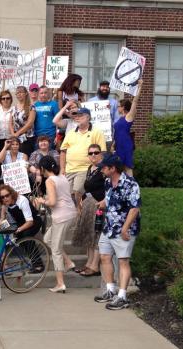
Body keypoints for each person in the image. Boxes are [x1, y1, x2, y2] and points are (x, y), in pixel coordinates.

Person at [94, 154, 141, 311]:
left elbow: (134, 208)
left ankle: (122, 296)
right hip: (109, 227)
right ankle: (110, 290)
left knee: (123, 261)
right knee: (104, 257)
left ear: (112, 168)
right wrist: (102, 204)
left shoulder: (130, 184)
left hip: (123, 229)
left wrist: (125, 228)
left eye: (104, 168)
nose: (101, 170)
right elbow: (109, 199)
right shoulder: (108, 182)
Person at [33, 156, 77, 292]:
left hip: (61, 216)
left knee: (56, 250)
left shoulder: (50, 181)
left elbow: (52, 202)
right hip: (70, 213)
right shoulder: (62, 177)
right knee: (47, 239)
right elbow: (60, 196)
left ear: (43, 168)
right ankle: (68, 262)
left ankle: (60, 283)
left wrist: (41, 201)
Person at [59, 107, 106, 199]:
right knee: (67, 195)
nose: (77, 118)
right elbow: (63, 152)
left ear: (88, 117)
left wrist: (97, 169)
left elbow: (102, 152)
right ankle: (75, 212)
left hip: (85, 169)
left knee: (77, 192)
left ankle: (79, 212)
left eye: (80, 115)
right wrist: (62, 168)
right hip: (69, 169)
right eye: (76, 116)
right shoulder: (71, 133)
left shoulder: (97, 132)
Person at [73, 144, 105, 277]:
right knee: (89, 236)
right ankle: (89, 263)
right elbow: (87, 187)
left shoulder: (104, 169)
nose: (93, 155)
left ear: (101, 154)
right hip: (88, 204)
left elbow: (108, 187)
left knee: (96, 236)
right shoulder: (90, 168)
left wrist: (103, 202)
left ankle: (95, 266)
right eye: (90, 153)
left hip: (98, 206)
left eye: (96, 153)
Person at [0, 184, 44, 272]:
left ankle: (39, 265)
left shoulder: (22, 200)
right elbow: (3, 218)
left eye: (7, 195)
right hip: (21, 223)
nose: (5, 198)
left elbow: (30, 222)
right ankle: (32, 261)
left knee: (26, 237)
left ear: (12, 194)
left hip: (34, 221)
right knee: (20, 240)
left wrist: (18, 230)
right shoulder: (5, 204)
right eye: (2, 197)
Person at [114, 80, 143, 176]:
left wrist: (140, 86)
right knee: (119, 166)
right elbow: (117, 131)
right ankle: (122, 185)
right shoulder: (120, 118)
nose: (117, 108)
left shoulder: (129, 116)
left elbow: (135, 101)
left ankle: (132, 187)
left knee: (127, 166)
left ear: (123, 107)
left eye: (118, 106)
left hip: (126, 144)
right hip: (118, 144)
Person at [11, 86, 36, 156]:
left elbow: (30, 123)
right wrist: (13, 133)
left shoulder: (31, 107)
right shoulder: (14, 108)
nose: (19, 94)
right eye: (17, 93)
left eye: (21, 92)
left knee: (25, 158)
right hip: (16, 138)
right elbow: (10, 123)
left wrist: (18, 133)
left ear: (25, 93)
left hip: (28, 138)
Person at [0, 90, 14, 155]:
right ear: (1, 100)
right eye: (3, 98)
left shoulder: (14, 110)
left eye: (8, 98)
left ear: (11, 99)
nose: (5, 100)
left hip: (11, 140)